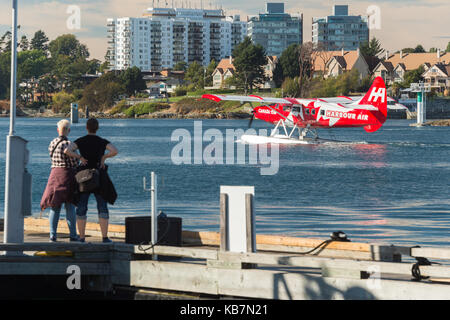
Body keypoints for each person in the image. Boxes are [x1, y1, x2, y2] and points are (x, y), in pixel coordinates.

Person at [65, 118, 118, 243]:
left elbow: (67, 150)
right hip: (99, 175)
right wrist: (104, 157)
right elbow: (115, 150)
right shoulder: (101, 141)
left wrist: (80, 157)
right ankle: (105, 237)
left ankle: (82, 237)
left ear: (86, 128)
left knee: (82, 206)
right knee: (102, 206)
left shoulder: (81, 140)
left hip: (84, 176)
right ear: (97, 128)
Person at [40, 119, 80, 242]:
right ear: (69, 130)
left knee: (54, 206)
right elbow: (75, 162)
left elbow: (51, 157)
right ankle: (73, 235)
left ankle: (52, 235)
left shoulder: (52, 143)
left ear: (58, 130)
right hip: (68, 175)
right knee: (70, 206)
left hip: (55, 175)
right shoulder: (69, 144)